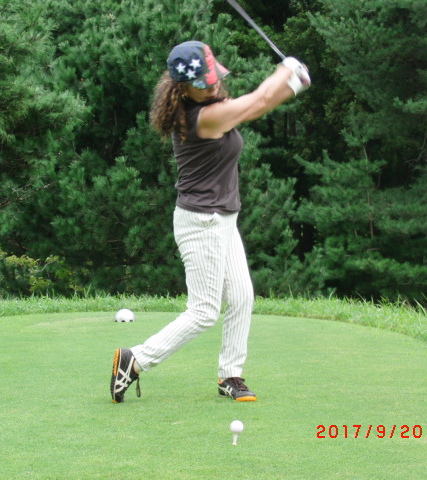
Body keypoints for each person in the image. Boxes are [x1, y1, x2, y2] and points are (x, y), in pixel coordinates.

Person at [110, 40, 310, 403]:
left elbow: (259, 103)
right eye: (203, 82)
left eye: (213, 77)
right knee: (203, 311)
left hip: (223, 220)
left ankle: (230, 375)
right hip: (201, 223)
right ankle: (134, 359)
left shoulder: (210, 104)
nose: (213, 84)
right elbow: (260, 102)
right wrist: (288, 74)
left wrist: (293, 81)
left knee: (242, 297)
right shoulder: (202, 118)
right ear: (182, 88)